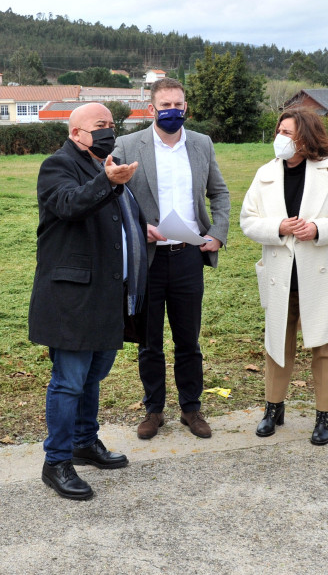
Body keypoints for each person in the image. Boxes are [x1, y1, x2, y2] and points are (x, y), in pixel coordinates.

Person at [29, 102, 148, 501]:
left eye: (112, 124)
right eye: (100, 125)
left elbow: (118, 220)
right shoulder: (57, 165)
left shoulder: (108, 164)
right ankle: (57, 461)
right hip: (72, 297)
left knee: (94, 375)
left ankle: (84, 441)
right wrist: (109, 183)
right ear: (77, 132)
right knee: (69, 381)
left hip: (106, 294)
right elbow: (69, 204)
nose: (108, 131)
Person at [239, 108, 328, 444]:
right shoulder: (265, 173)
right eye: (279, 131)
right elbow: (248, 221)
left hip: (321, 275)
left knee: (326, 348)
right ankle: (273, 408)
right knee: (277, 345)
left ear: (306, 138)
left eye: (288, 133)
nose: (280, 139)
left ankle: (325, 415)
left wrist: (317, 228)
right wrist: (279, 227)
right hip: (282, 274)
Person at [113, 78, 230, 440]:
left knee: (188, 339)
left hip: (188, 257)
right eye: (165, 105)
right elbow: (113, 198)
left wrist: (218, 233)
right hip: (146, 260)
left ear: (185, 107)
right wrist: (137, 228)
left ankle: (191, 409)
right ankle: (153, 410)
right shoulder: (128, 145)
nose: (172, 111)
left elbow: (219, 192)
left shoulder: (200, 144)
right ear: (151, 109)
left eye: (178, 105)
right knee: (149, 341)